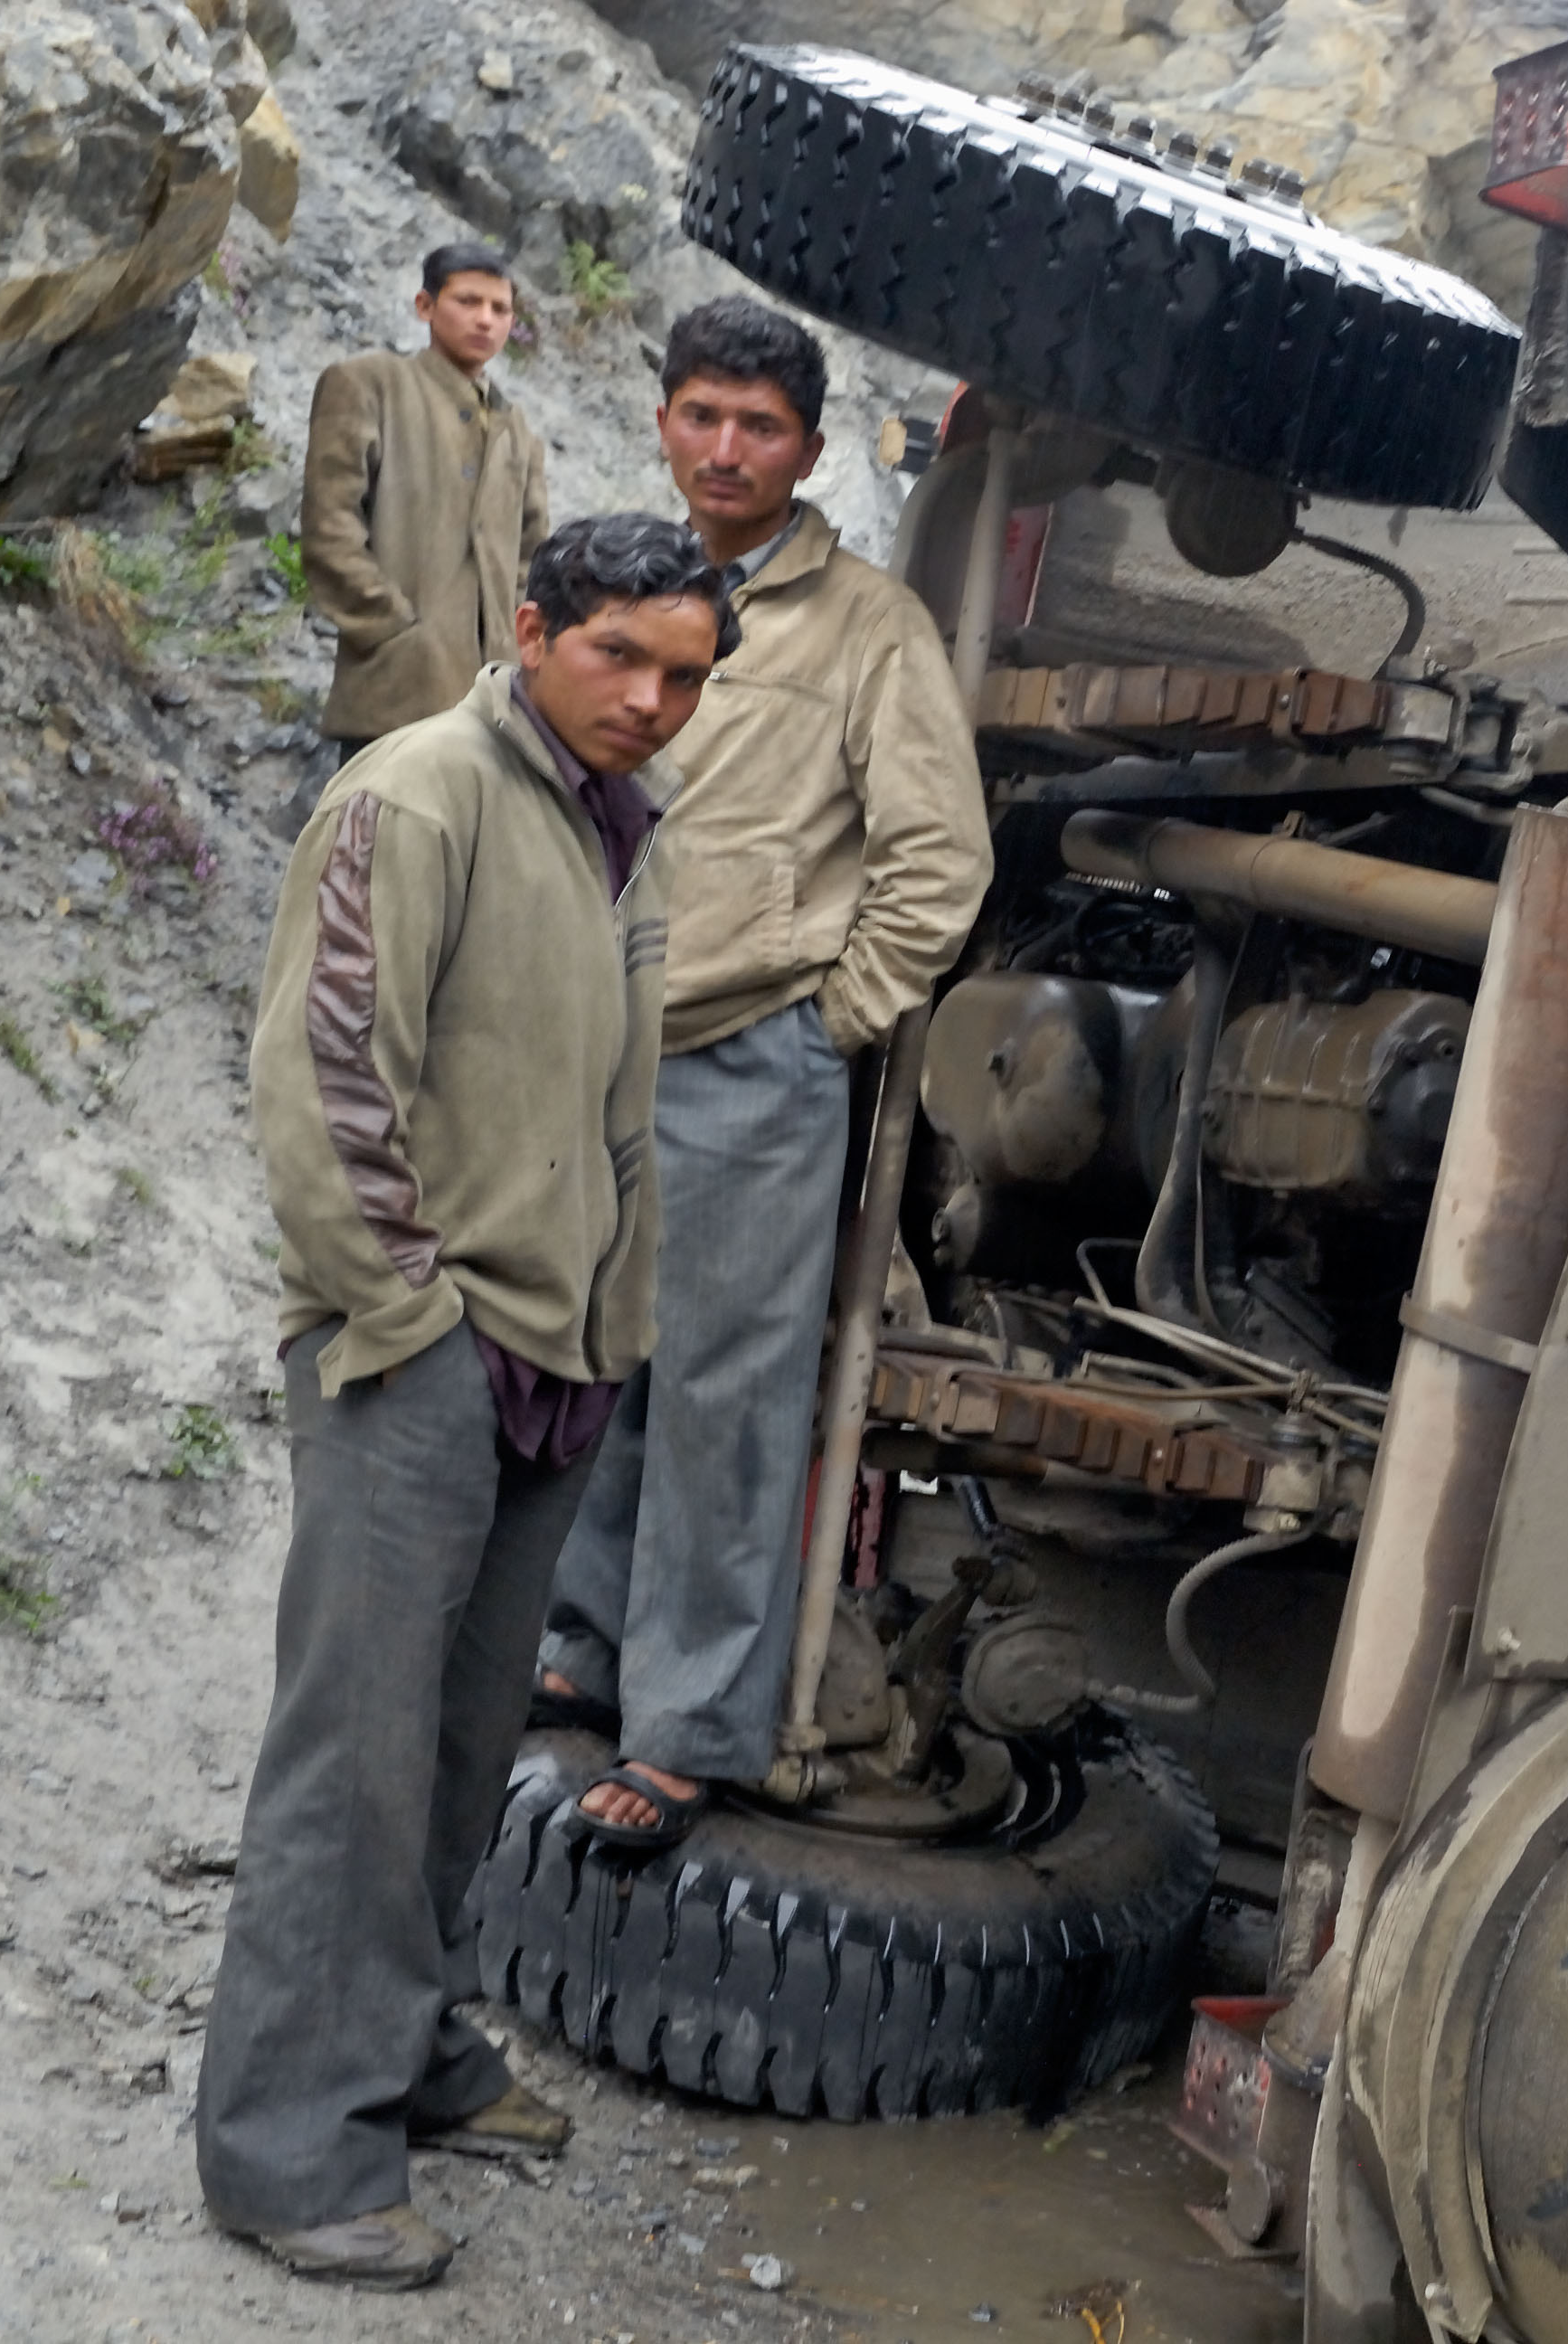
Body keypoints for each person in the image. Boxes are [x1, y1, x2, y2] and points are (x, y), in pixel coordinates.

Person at [197, 515, 733, 2291]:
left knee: (456, 1748)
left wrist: (613, 1325)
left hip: (555, 1360)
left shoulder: (615, 834)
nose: (653, 700)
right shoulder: (416, 796)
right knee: (350, 1758)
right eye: (622, 660)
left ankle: (406, 2049)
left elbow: (620, 1116)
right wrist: (410, 1316)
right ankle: (288, 2151)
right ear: (531, 629)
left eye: (685, 675)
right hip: (416, 1351)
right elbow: (326, 1075)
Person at [534, 297, 991, 1851]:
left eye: (762, 426)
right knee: (594, 1363)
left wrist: (828, 1018)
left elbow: (937, 858)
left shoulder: (869, 628)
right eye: (700, 414)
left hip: (751, 1062)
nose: (726, 449)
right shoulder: (611, 588)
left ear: (809, 450)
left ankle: (689, 1728)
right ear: (662, 420)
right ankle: (579, 1650)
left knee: (728, 1403)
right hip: (591, 1051)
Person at [300, 241, 553, 770]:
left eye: (500, 309)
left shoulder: (516, 426)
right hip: (392, 695)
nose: (485, 320)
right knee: (370, 850)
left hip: (494, 709)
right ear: (425, 306)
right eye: (468, 301)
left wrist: (516, 656)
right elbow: (330, 528)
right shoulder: (369, 384)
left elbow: (534, 559)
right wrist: (398, 631)